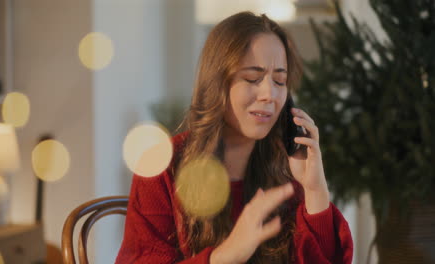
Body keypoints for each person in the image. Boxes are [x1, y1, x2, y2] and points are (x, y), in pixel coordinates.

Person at [116, 11, 353, 264]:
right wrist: (224, 256)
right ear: (218, 82)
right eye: (252, 78)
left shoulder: (288, 169)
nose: (269, 94)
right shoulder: (161, 166)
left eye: (280, 81)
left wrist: (315, 189)